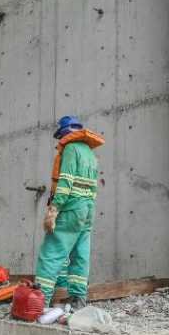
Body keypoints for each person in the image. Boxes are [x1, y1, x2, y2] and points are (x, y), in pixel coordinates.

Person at [34, 116, 104, 310]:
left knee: (51, 252)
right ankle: (78, 301)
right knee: (80, 254)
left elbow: (65, 182)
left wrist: (54, 209)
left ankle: (39, 302)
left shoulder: (71, 149)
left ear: (64, 133)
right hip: (88, 209)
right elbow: (92, 188)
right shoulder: (90, 153)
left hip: (71, 207)